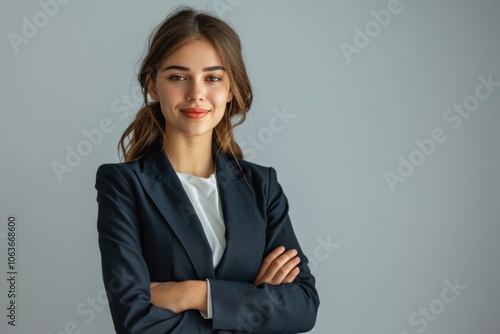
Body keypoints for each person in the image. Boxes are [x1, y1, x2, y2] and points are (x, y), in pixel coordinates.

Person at [95, 6, 319, 333]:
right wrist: (251, 299)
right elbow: (136, 323)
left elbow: (303, 308)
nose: (196, 94)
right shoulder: (124, 185)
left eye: (212, 77)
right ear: (153, 86)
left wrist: (196, 293)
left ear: (231, 90)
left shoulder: (262, 185)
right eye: (177, 77)